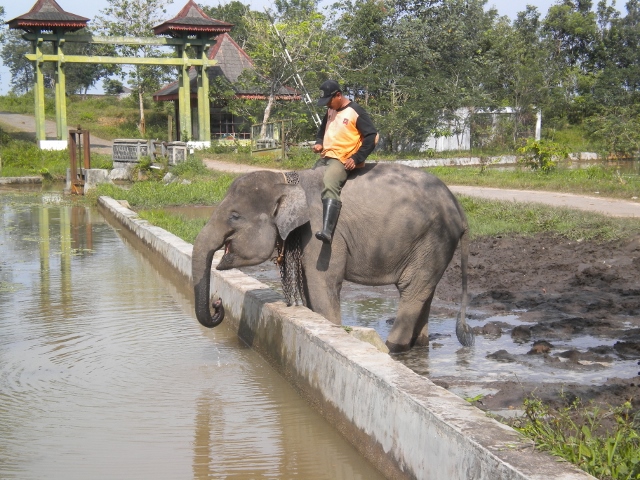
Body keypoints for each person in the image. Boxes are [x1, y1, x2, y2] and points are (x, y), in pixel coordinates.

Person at [312, 80, 378, 244]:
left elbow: (372, 136)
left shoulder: (355, 111)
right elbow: (321, 131)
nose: (327, 105)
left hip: (342, 158)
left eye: (329, 101)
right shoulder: (330, 110)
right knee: (310, 177)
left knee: (329, 182)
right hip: (326, 156)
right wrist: (319, 142)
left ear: (338, 95)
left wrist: (356, 158)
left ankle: (327, 230)